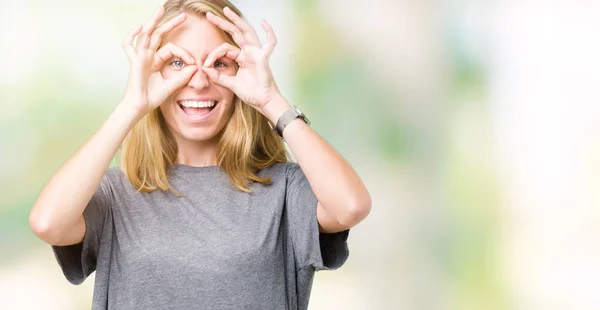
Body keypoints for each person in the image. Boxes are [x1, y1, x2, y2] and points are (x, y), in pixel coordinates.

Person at [29, 0, 371, 309]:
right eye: (178, 62)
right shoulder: (115, 195)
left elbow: (350, 206)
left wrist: (271, 101)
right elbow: (49, 223)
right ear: (153, 74)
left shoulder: (283, 188)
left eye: (219, 62)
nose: (198, 81)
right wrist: (131, 107)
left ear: (241, 73)